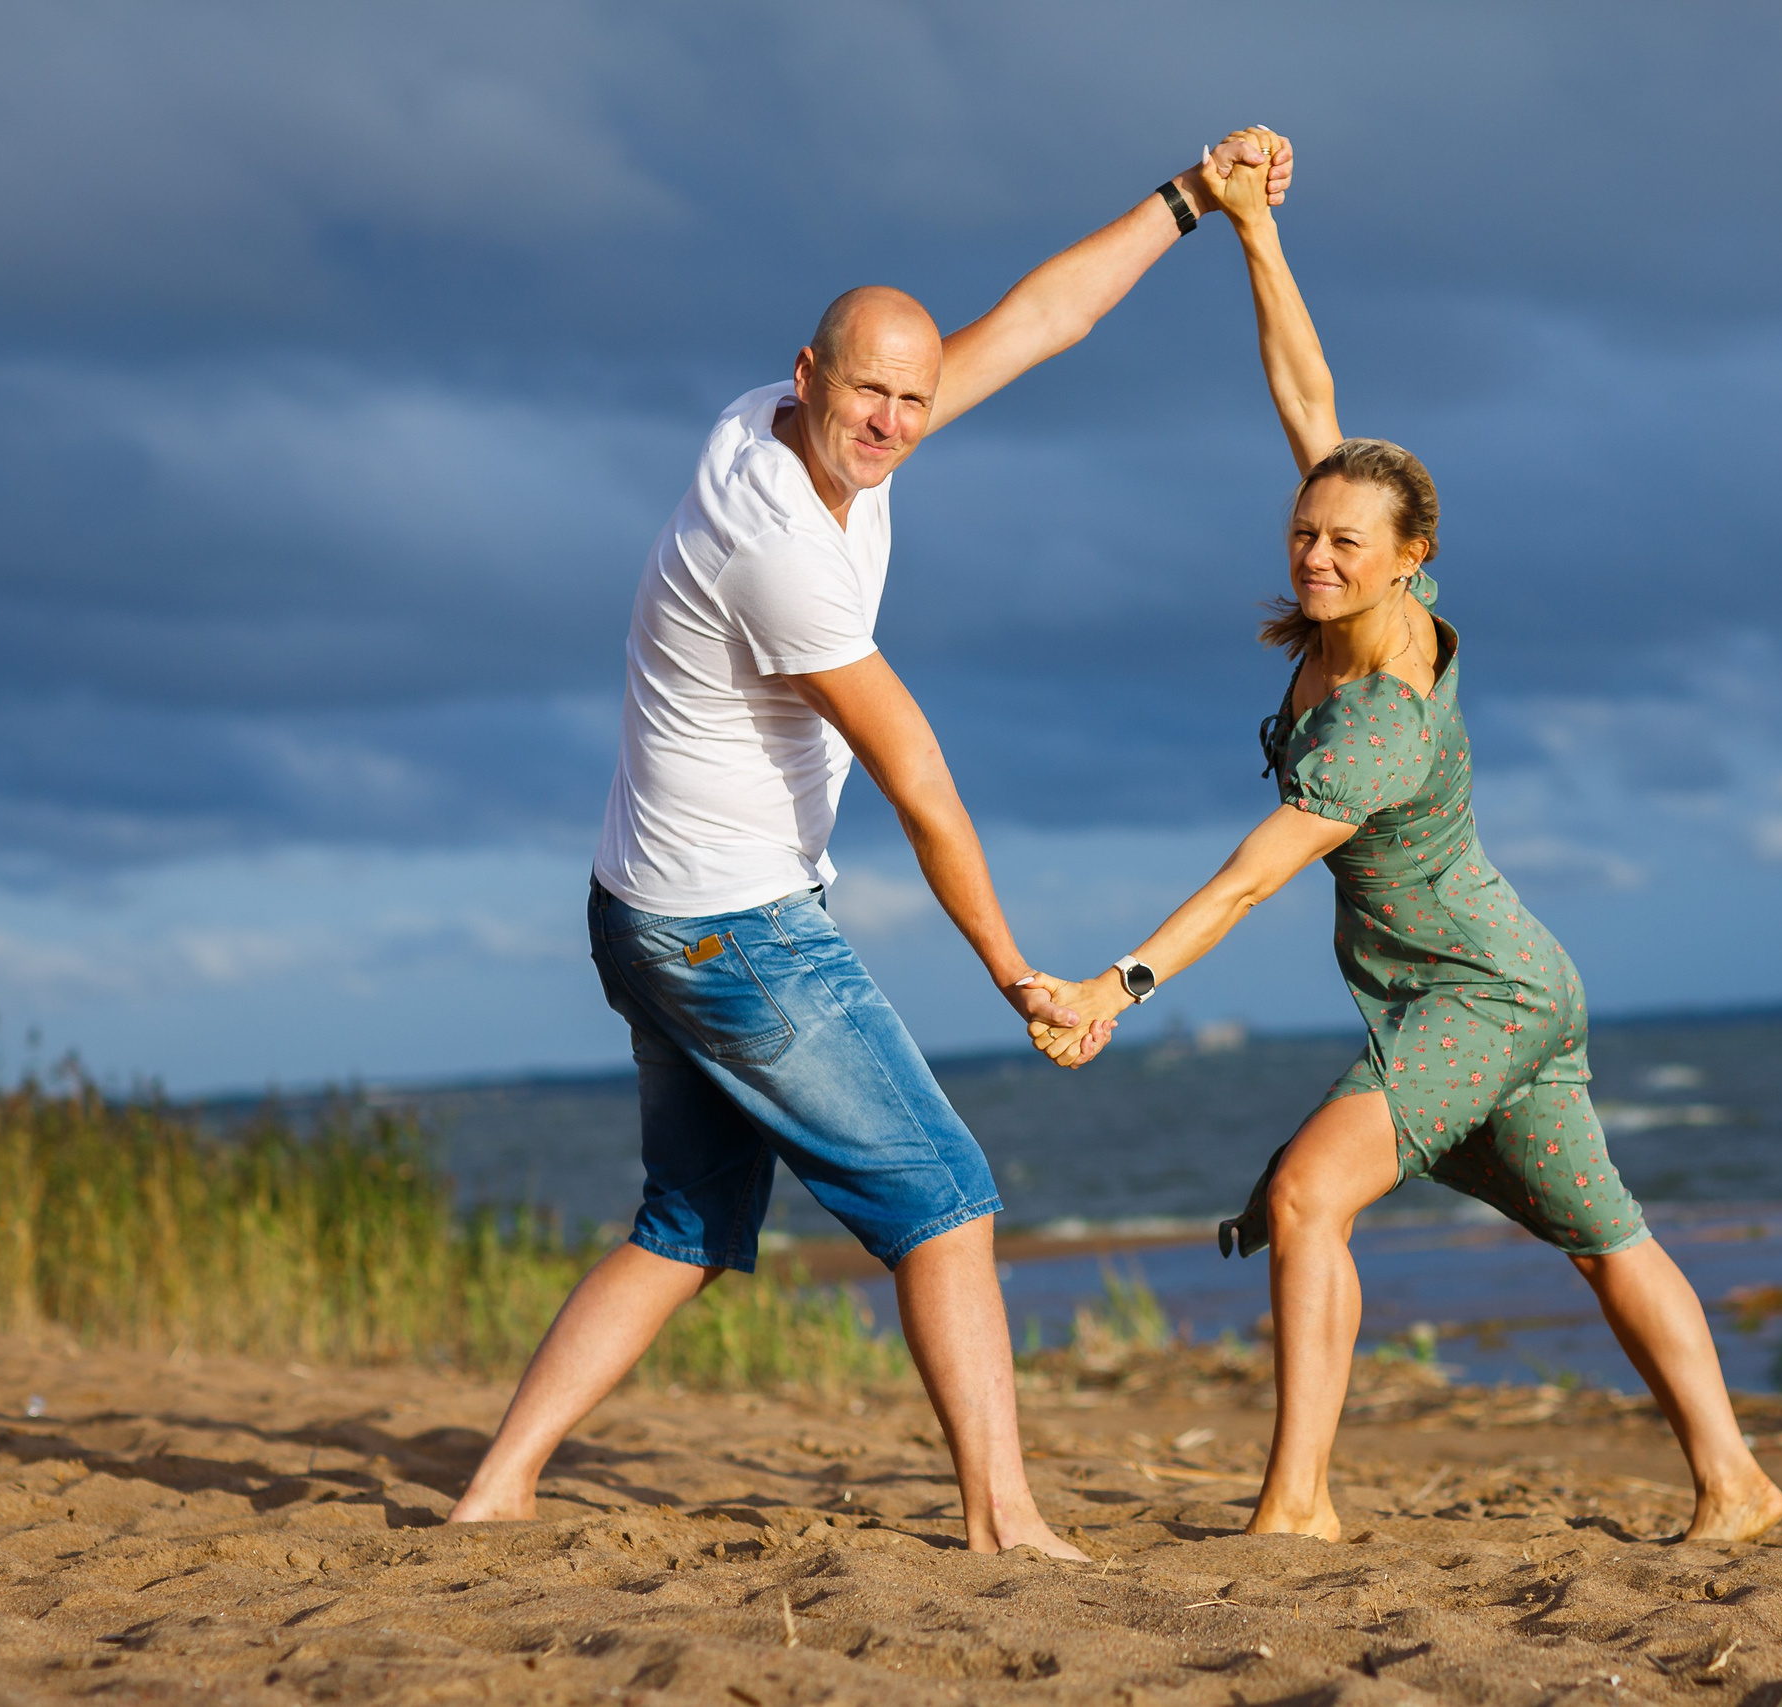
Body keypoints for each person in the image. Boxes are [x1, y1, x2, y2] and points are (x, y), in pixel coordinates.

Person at [447, 131, 1298, 1556]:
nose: (897, 423)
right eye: (872, 396)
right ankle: (1001, 1517)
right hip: (732, 929)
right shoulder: (773, 540)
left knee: (688, 1224)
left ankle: (496, 1488)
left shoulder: (799, 425)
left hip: (642, 910)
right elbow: (918, 773)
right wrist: (1015, 970)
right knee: (946, 1194)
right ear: (807, 375)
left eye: (915, 398)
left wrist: (1186, 203)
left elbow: (1040, 323)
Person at [1026, 137, 1782, 1546]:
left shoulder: (1380, 715)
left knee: (1312, 1193)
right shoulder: (1350, 598)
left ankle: (1299, 1503)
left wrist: (1116, 988)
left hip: (1477, 995)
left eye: (1346, 546)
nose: (1316, 557)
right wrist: (1251, 229)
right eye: (1306, 534)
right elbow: (1308, 393)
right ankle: (1735, 1482)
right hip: (1497, 980)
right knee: (1607, 1239)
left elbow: (1258, 875)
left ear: (1409, 559)